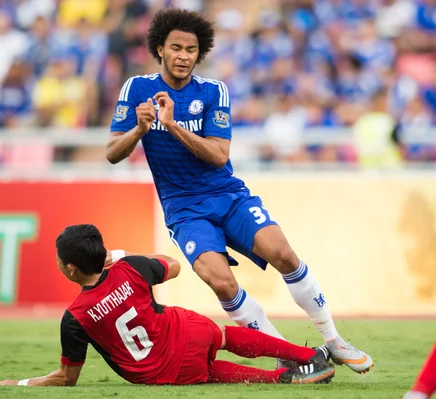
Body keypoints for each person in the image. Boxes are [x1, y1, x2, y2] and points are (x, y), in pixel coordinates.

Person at [105, 8, 373, 372]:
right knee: (222, 283)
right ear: (160, 49)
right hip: (184, 210)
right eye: (177, 48)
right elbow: (112, 153)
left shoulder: (214, 91)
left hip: (227, 195)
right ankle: (289, 355)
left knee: (284, 254)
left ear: (200, 54)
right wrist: (139, 130)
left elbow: (218, 155)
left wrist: (172, 126)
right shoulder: (136, 88)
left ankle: (334, 340)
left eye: (192, 49)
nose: (184, 56)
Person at [0, 224, 335, 387]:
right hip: (189, 330)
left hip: (163, 370)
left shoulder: (75, 317)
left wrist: (19, 384)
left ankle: (282, 377)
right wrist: (117, 256)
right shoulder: (129, 268)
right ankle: (309, 357)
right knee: (225, 337)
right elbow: (174, 264)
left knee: (209, 374)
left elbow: (66, 378)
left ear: (71, 268)